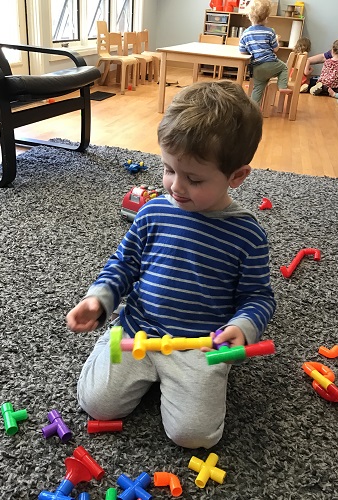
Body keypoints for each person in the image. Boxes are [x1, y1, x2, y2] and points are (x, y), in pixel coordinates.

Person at [66, 80, 276, 450]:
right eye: (168, 169)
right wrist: (99, 300)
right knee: (96, 404)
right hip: (138, 330)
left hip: (199, 344)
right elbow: (125, 264)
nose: (176, 187)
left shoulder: (247, 235)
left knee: (194, 436)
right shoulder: (153, 211)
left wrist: (241, 327)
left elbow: (258, 297)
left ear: (237, 176)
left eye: (194, 179)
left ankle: (204, 379)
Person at [239, 0, 291, 105]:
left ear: (249, 16)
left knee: (258, 89)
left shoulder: (245, 33)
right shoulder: (270, 31)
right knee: (284, 67)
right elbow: (276, 49)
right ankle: (282, 87)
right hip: (271, 63)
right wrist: (276, 40)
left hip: (256, 68)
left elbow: (242, 52)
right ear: (266, 18)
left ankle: (254, 109)